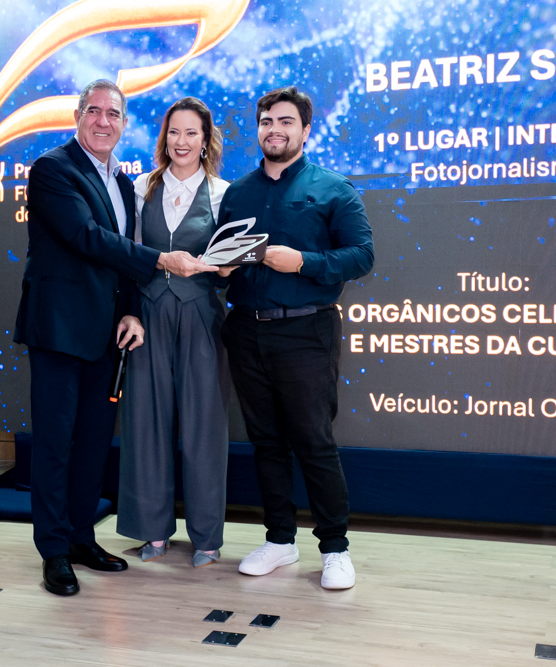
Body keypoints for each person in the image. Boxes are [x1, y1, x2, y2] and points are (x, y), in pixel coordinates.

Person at [13, 79, 216, 597]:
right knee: (56, 445)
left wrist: (131, 312)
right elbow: (87, 239)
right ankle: (54, 551)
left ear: (125, 124)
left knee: (92, 445)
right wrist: (162, 259)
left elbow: (120, 259)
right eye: (95, 111)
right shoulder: (53, 169)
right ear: (78, 116)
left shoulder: (125, 184)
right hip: (59, 330)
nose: (105, 121)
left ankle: (81, 537)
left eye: (115, 114)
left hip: (108, 335)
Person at [215, 86, 374, 590]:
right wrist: (220, 270)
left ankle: (334, 548)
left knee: (313, 440)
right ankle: (280, 540)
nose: (274, 129)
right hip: (246, 329)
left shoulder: (334, 189)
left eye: (285, 121)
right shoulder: (237, 193)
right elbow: (228, 256)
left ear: (306, 130)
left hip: (308, 329)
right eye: (266, 121)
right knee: (266, 441)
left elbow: (362, 256)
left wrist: (304, 261)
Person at [116, 98, 231, 568]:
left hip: (202, 315)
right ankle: (152, 530)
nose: (181, 142)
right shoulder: (142, 187)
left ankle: (206, 538)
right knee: (146, 422)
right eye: (173, 133)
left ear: (206, 140)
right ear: (164, 138)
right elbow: (126, 256)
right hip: (148, 315)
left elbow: (233, 263)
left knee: (205, 426)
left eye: (191, 133)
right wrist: (130, 311)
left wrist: (226, 269)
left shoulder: (225, 193)